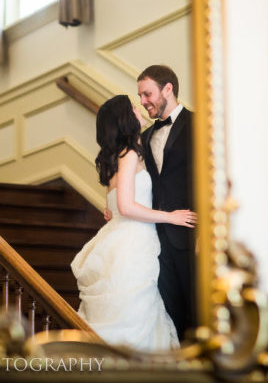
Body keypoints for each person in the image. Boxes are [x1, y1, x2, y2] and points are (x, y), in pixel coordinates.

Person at [71, 95, 196, 351]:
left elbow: (113, 205)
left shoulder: (119, 155)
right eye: (133, 106)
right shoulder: (129, 154)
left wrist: (114, 208)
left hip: (124, 238)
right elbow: (126, 207)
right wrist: (171, 216)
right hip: (132, 243)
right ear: (126, 117)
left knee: (132, 311)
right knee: (134, 314)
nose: (139, 108)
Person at [137, 65, 195, 342]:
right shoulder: (147, 137)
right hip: (157, 239)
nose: (143, 101)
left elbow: (210, 180)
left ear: (167, 89)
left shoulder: (198, 124)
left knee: (198, 310)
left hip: (191, 233)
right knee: (171, 312)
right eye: (140, 96)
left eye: (147, 94)